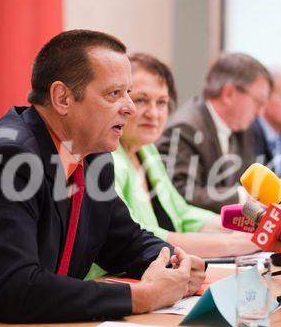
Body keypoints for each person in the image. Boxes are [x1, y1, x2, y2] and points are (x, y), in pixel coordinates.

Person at [0, 30, 205, 325]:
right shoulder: (6, 159)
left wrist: (176, 262)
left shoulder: (93, 157)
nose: (130, 107)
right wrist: (142, 297)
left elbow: (125, 241)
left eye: (128, 93)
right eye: (114, 94)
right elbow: (15, 290)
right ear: (62, 98)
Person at [105, 53, 257, 260]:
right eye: (141, 100)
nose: (153, 113)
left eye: (161, 102)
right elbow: (143, 236)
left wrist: (251, 222)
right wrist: (236, 243)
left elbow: (183, 213)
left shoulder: (147, 150)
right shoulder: (108, 159)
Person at [156, 53, 272, 213]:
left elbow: (250, 180)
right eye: (258, 101)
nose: (260, 113)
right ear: (229, 94)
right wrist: (241, 197)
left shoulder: (243, 128)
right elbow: (181, 192)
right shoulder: (184, 128)